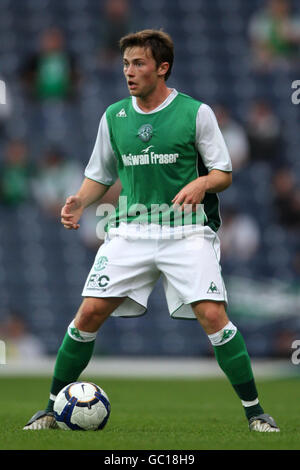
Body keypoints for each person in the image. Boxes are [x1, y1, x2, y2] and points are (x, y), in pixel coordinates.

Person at [23, 29, 279, 432]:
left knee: (213, 316)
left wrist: (201, 183)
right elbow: (99, 175)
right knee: (88, 312)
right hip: (130, 230)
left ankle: (256, 413)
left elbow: (223, 173)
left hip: (188, 231)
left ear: (162, 68)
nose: (129, 71)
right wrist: (79, 200)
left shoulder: (196, 113)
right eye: (126, 64)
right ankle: (51, 409)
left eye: (138, 63)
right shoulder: (114, 116)